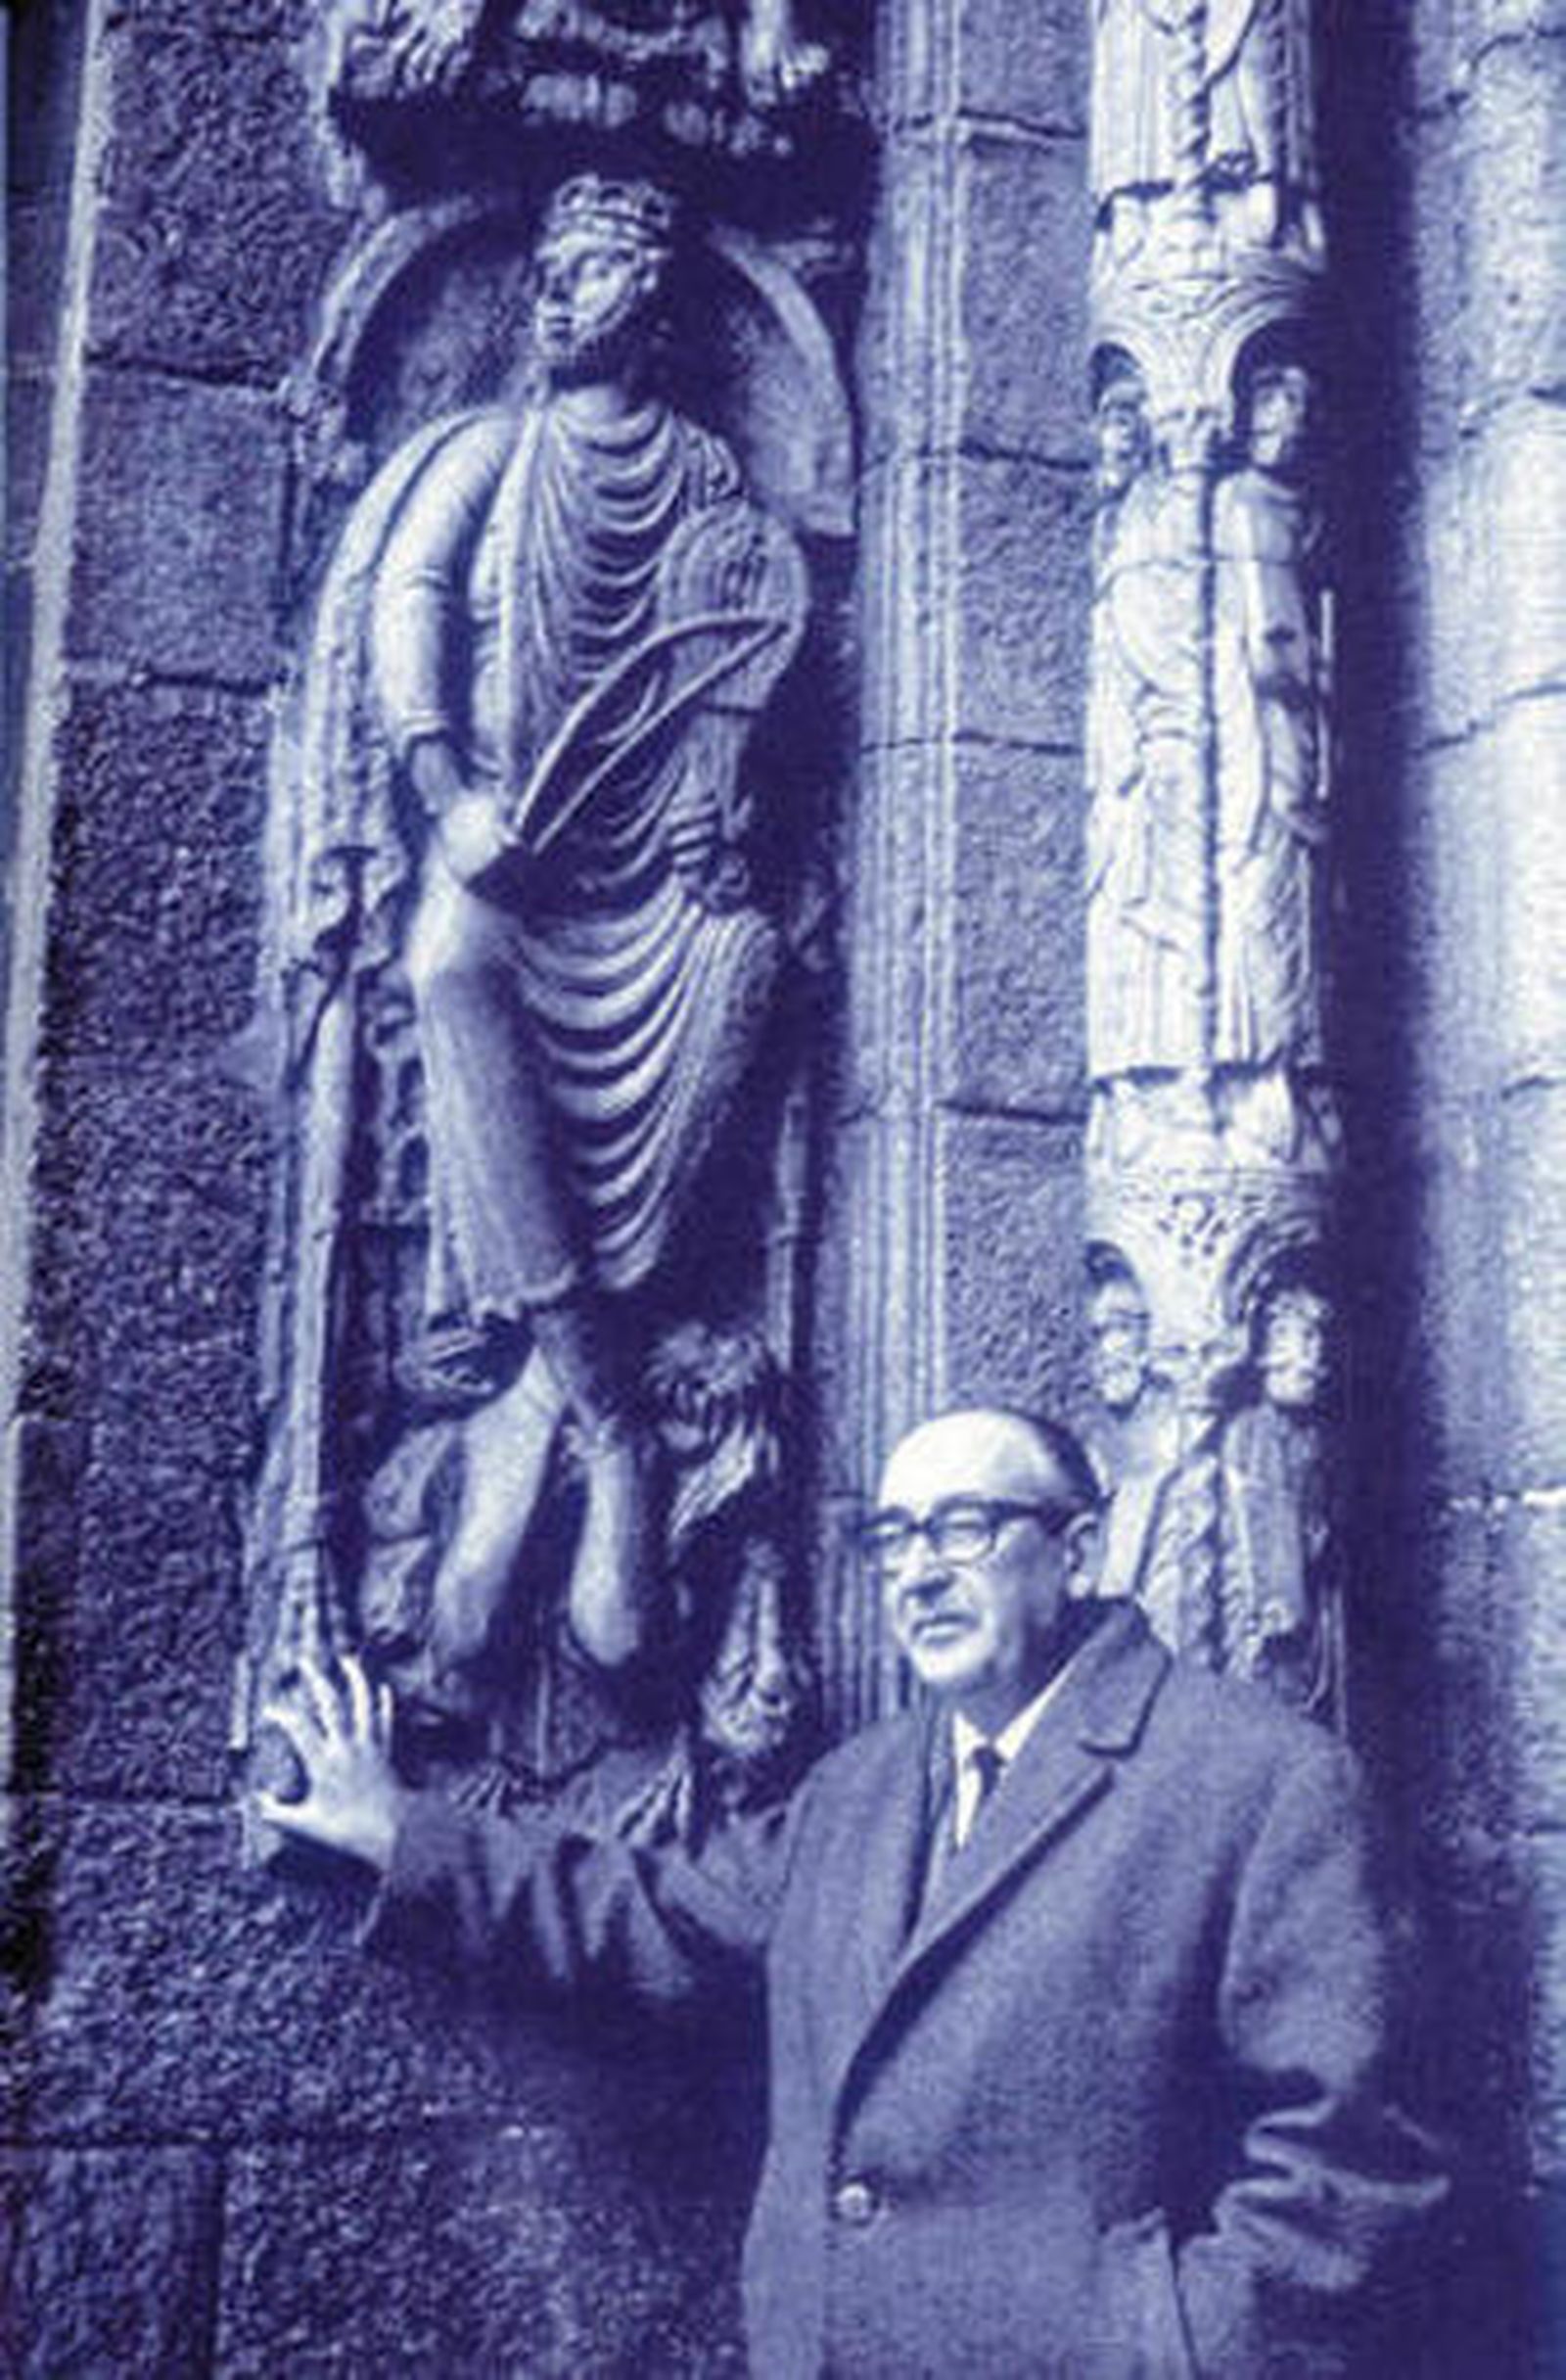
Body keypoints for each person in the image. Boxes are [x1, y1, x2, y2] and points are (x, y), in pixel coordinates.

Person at [260, 1407, 1442, 2376]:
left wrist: (1159, 2347)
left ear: (1076, 1551)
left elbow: (1353, 2166)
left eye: (964, 1528)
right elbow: (657, 1915)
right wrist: (402, 1835)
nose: (918, 1572)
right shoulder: (859, 1788)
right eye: (893, 1539)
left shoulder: (1257, 1776)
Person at [319, 172, 806, 1698]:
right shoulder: (491, 454)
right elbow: (409, 603)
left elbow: (728, 676)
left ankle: (547, 1389)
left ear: (649, 314)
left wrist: (712, 822)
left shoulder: (707, 480)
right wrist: (445, 792)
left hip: (641, 878)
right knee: (445, 966)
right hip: (501, 863)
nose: (555, 294)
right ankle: (613, 1423)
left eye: (590, 276)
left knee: (745, 967)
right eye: (550, 270)